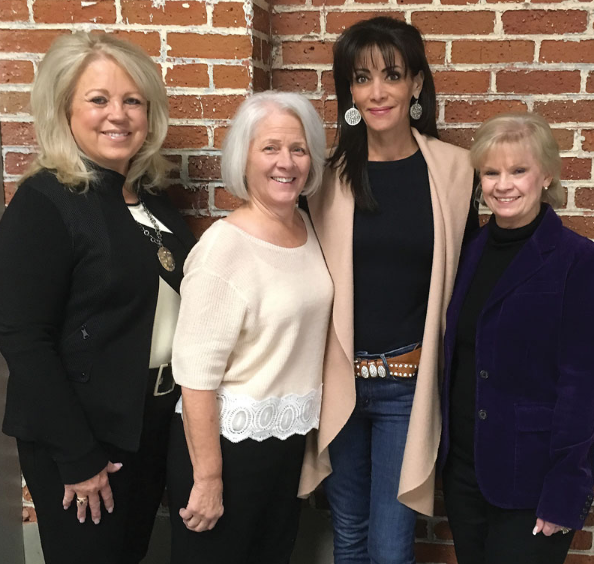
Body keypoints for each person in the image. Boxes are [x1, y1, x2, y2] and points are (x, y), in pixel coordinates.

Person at [0, 32, 196, 564]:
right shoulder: (45, 202)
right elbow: (23, 338)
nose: (119, 115)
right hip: (84, 439)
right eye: (99, 99)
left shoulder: (152, 201)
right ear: (63, 109)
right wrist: (78, 456)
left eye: (133, 100)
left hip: (148, 425)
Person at [299, 16, 478, 564]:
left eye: (392, 75)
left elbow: (466, 280)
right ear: (348, 90)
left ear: (417, 84)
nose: (377, 92)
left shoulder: (454, 171)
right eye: (361, 78)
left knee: (392, 545)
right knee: (349, 534)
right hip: (339, 382)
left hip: (408, 385)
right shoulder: (326, 178)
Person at [167, 91, 333, 564]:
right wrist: (209, 480)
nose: (287, 162)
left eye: (298, 149)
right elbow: (196, 376)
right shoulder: (224, 248)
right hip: (223, 449)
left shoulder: (305, 227)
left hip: (281, 445)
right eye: (270, 148)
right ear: (244, 157)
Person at [439, 112, 594, 564]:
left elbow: (582, 384)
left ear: (546, 175)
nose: (503, 184)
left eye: (518, 170)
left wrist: (567, 487)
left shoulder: (577, 261)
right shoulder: (469, 252)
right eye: (491, 172)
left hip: (533, 479)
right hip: (467, 472)